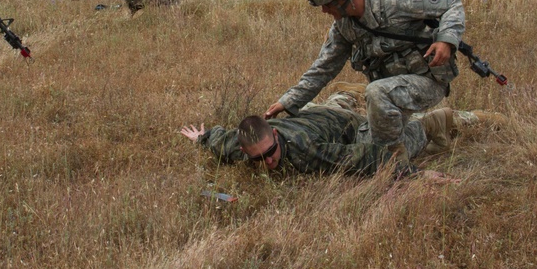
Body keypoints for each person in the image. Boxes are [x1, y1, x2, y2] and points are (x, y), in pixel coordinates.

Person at [264, 0, 465, 172]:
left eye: (329, 4)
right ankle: (431, 126)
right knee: (365, 149)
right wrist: (288, 101)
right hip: (390, 95)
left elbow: (452, 3)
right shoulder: (344, 27)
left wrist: (446, 40)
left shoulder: (395, 2)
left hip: (428, 82)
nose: (325, 11)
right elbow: (323, 68)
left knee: (377, 98)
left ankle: (396, 168)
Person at [181, 86, 476, 176]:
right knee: (324, 108)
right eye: (259, 159)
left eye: (271, 153)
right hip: (314, 114)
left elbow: (367, 158)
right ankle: (344, 94)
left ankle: (435, 122)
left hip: (342, 124)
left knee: (385, 143)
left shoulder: (306, 151)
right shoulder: (240, 146)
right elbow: (220, 140)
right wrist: (202, 138)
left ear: (273, 134)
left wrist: (417, 174)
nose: (268, 161)